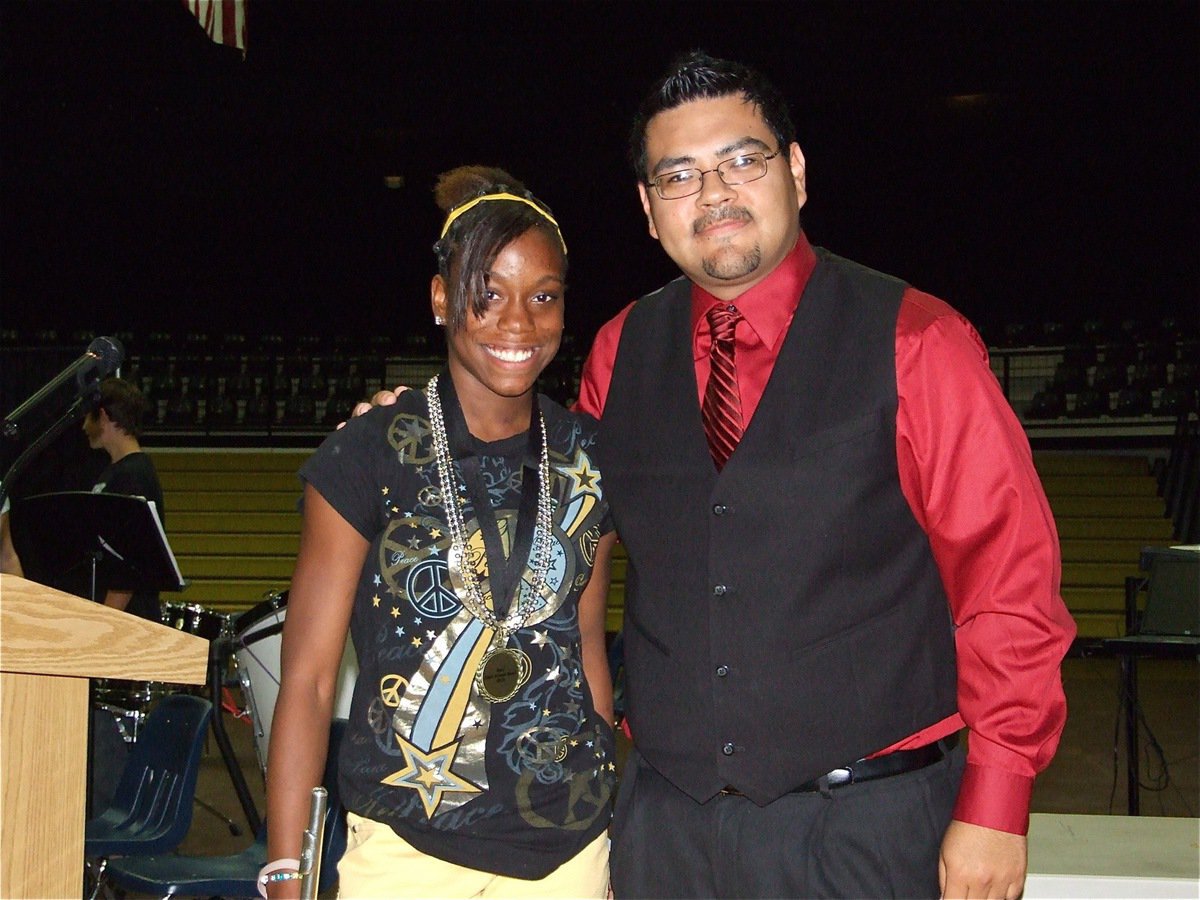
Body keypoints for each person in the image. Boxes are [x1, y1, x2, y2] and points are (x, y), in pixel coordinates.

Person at [265, 166, 617, 899]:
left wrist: (605, 814)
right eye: (485, 296)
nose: (517, 323)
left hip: (567, 854)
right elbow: (307, 681)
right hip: (406, 851)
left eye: (542, 297)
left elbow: (586, 648)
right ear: (439, 299)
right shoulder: (367, 454)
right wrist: (284, 861)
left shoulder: (590, 457)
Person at [82, 376, 165, 621]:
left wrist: (105, 621)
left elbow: (129, 560)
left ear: (104, 416)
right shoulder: (114, 472)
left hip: (130, 623)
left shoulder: (134, 474)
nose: (83, 426)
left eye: (88, 417)